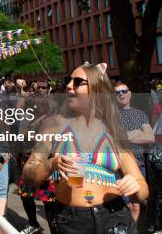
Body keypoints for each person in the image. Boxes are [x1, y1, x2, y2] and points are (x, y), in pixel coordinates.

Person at [22, 62, 149, 234]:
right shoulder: (53, 125)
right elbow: (29, 175)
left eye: (77, 82)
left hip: (114, 217)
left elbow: (142, 189)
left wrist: (134, 186)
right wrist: (53, 164)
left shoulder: (113, 129)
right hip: (71, 221)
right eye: (68, 80)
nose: (68, 86)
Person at [114, 81, 155, 222]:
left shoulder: (140, 114)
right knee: (124, 206)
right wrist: (137, 132)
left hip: (139, 164)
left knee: (136, 206)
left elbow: (150, 137)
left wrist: (127, 136)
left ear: (129, 93)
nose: (121, 94)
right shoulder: (111, 115)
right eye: (117, 92)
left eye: (124, 91)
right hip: (119, 166)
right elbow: (115, 137)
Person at [17, 94, 56, 234]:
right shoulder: (31, 120)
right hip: (29, 164)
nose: (33, 107)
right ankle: (33, 224)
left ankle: (55, 229)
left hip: (45, 164)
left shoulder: (51, 121)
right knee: (25, 195)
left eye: (36, 105)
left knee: (48, 201)